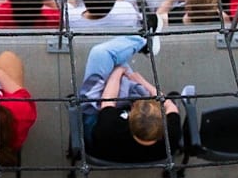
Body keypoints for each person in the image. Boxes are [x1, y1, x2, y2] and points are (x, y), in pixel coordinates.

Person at [75, 33, 180, 165]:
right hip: (146, 156)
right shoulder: (171, 134)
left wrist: (118, 73)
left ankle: (143, 38)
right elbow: (171, 106)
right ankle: (144, 41)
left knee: (101, 54)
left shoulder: (110, 127)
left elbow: (107, 101)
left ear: (129, 118)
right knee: (117, 61)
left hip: (97, 127)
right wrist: (140, 82)